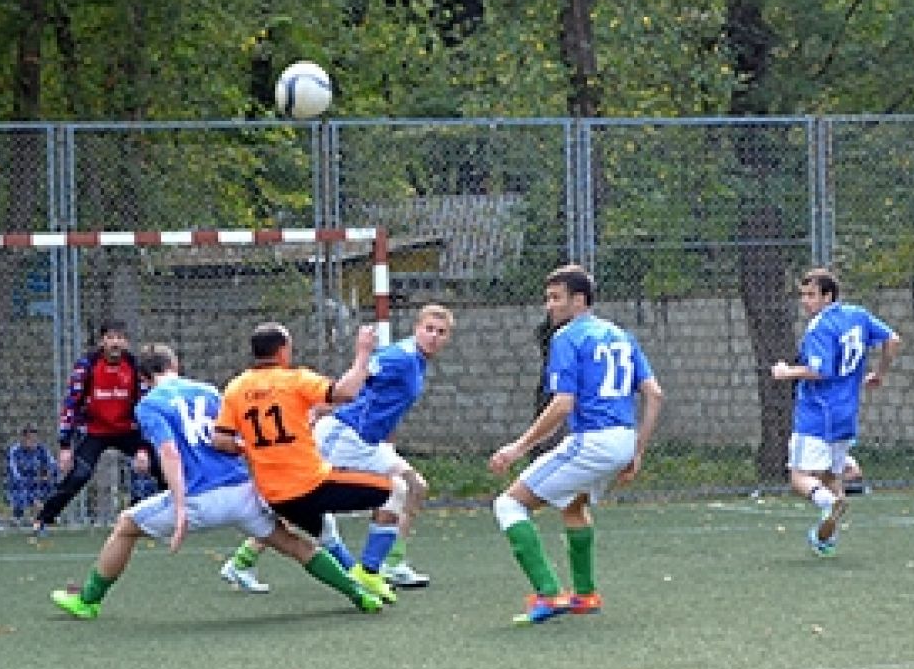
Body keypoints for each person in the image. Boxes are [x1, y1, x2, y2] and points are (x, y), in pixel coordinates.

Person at [50, 344, 384, 620]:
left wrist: (180, 507)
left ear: (143, 379)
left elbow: (169, 453)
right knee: (297, 546)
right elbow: (231, 438)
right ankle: (358, 594)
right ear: (175, 365)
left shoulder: (149, 405)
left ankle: (88, 601)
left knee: (125, 526)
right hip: (242, 494)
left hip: (199, 500)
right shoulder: (210, 391)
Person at [222, 304, 456, 592]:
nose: (433, 336)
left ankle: (391, 563)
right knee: (300, 500)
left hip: (366, 441)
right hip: (344, 434)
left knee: (415, 486)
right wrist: (319, 408)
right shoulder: (400, 357)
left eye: (441, 332)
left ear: (447, 337)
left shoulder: (417, 361)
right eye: (429, 329)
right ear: (416, 328)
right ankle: (242, 561)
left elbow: (386, 403)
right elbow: (356, 381)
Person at [488, 264, 663, 625]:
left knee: (509, 505)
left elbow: (562, 404)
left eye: (556, 298)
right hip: (622, 439)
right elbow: (655, 395)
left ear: (579, 300)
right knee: (573, 507)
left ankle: (548, 593)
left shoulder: (567, 337)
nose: (549, 305)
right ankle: (585, 594)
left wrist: (518, 448)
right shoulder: (621, 336)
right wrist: (637, 450)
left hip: (593, 441)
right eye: (547, 298)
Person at [213, 322, 410, 607]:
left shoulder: (235, 388)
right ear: (283, 351)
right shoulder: (294, 380)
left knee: (326, 532)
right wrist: (362, 353)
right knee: (397, 490)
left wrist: (250, 448)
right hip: (311, 484)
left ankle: (360, 592)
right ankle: (369, 571)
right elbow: (346, 392)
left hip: (276, 495)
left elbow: (220, 440)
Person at [770, 267, 899, 556]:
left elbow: (819, 370)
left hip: (817, 413)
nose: (805, 301)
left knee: (798, 477)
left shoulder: (820, 327)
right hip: (846, 414)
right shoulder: (857, 315)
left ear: (828, 296)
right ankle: (826, 538)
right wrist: (880, 373)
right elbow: (893, 339)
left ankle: (829, 503)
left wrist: (786, 372)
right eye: (803, 295)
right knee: (830, 477)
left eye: (811, 295)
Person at [32, 319, 164, 533]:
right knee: (79, 474)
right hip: (95, 431)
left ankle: (176, 513)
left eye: (120, 338)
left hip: (128, 430)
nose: (115, 343)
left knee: (161, 466)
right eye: (110, 338)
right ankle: (44, 519)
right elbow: (71, 404)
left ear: (126, 342)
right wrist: (65, 445)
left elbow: (146, 408)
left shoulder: (136, 367)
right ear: (102, 342)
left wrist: (144, 448)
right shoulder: (87, 366)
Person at [6, 426, 58, 521]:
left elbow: (53, 464)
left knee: (54, 482)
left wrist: (47, 475)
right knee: (18, 487)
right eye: (30, 439)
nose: (33, 442)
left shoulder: (41, 449)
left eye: (35, 439)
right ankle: (19, 516)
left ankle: (48, 513)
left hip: (38, 480)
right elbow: (14, 473)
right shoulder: (15, 451)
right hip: (22, 482)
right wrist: (33, 499)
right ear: (23, 439)